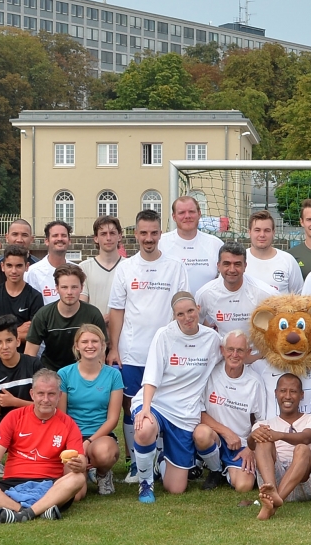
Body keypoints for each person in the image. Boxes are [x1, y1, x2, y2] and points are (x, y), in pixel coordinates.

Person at [129, 291, 222, 500]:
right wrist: (145, 409)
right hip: (156, 403)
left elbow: (234, 352)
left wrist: (260, 355)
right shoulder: (164, 335)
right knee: (144, 428)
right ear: (174, 316)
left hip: (185, 413)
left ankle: (161, 460)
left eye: (190, 311)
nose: (187, 317)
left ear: (198, 309)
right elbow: (151, 375)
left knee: (176, 488)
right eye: (180, 314)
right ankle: (146, 484)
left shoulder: (212, 339)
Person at [107, 210, 187, 448]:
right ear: (135, 234)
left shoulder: (175, 267)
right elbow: (117, 310)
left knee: (163, 405)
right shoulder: (126, 268)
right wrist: (114, 348)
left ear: (161, 233)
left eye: (153, 233)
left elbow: (182, 309)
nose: (149, 238)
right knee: (131, 406)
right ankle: (133, 459)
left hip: (166, 353)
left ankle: (159, 457)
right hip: (132, 352)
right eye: (144, 233)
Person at [0, 370, 90, 522]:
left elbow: (80, 457)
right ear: (32, 394)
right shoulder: (14, 417)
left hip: (50, 483)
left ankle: (19, 513)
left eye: (51, 394)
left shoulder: (68, 423)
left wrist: (80, 464)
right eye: (41, 394)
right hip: (13, 482)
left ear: (59, 396)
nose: (45, 399)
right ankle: (37, 510)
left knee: (78, 479)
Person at [198, 332, 273, 493]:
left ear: (248, 352)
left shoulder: (254, 382)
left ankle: (226, 470)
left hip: (241, 444)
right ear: (222, 350)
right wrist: (226, 432)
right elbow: (199, 412)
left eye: (240, 350)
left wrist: (251, 449)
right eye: (230, 349)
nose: (234, 355)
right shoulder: (210, 374)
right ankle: (215, 470)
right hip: (216, 437)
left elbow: (261, 422)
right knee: (201, 434)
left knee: (244, 486)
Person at [250, 373, 311, 519]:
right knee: (262, 439)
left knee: (302, 448)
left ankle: (273, 502)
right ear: (275, 393)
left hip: (306, 483)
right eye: (283, 391)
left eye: (293, 391)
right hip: (275, 478)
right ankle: (272, 491)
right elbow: (251, 445)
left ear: (301, 395)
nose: (287, 396)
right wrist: (252, 436)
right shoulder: (263, 424)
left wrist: (279, 435)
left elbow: (306, 437)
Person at [56, 324, 123, 495]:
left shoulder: (113, 375)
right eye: (84, 342)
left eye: (95, 341)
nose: (90, 346)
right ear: (77, 346)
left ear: (103, 345)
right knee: (76, 494)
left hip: (100, 437)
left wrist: (89, 442)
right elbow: (61, 416)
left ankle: (102, 473)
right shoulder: (64, 374)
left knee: (104, 453)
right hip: (72, 436)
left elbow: (113, 419)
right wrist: (76, 443)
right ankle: (85, 471)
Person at [27, 266, 106, 371]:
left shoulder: (93, 314)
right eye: (64, 287)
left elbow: (101, 352)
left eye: (74, 287)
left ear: (82, 287)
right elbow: (30, 354)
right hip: (51, 372)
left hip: (84, 371)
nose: (69, 292)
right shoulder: (43, 315)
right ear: (57, 288)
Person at [199, 242, 274, 336]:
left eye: (237, 264)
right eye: (226, 264)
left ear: (245, 266)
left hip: (254, 346)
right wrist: (212, 335)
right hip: (223, 345)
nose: (232, 270)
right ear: (218, 266)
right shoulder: (206, 293)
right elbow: (195, 322)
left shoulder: (264, 292)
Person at [0, 245, 44, 346]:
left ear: (27, 267)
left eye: (19, 266)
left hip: (23, 355)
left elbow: (35, 336)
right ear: (2, 266)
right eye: (9, 266)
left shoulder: (35, 297)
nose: (14, 271)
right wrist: (18, 330)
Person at [159, 195, 224, 293]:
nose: (187, 216)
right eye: (181, 213)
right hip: (170, 303)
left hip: (207, 303)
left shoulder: (215, 244)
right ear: (174, 217)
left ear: (199, 214)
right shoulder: (161, 243)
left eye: (191, 212)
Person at [243, 209, 303, 294]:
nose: (262, 235)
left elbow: (298, 296)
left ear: (273, 233)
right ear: (249, 232)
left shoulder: (288, 260)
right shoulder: (239, 260)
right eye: (257, 230)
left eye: (267, 230)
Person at [79, 215, 125, 312]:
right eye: (103, 234)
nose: (108, 238)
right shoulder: (84, 268)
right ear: (96, 238)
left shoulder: (129, 266)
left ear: (119, 236)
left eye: (112, 233)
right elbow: (82, 305)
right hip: (94, 321)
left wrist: (113, 317)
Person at [24, 220, 72, 301]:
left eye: (63, 235)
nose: (60, 239)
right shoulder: (32, 273)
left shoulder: (78, 270)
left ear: (69, 241)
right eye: (55, 235)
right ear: (47, 241)